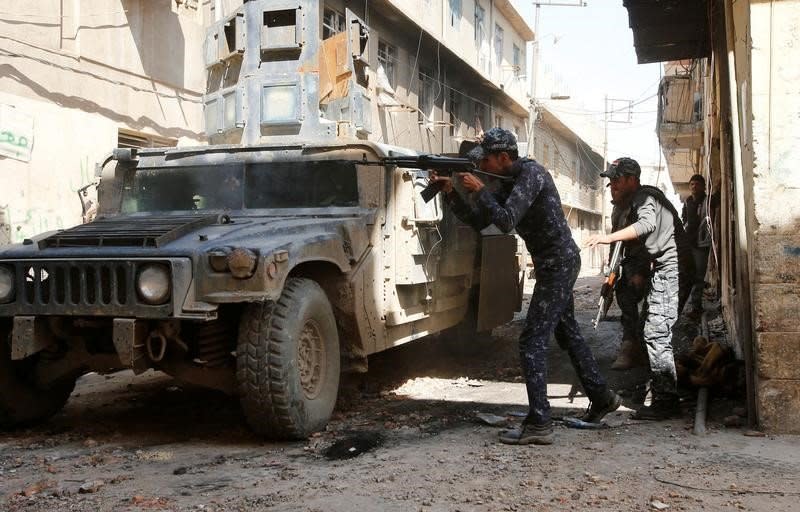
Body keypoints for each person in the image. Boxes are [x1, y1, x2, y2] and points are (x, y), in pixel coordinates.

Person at [431, 128, 620, 445]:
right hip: (553, 264)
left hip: (558, 264)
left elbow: (505, 220)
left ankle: (539, 423)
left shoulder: (531, 173)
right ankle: (602, 397)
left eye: (488, 162)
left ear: (504, 158)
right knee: (567, 332)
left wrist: (479, 191)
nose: (485, 169)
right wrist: (451, 192)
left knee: (531, 340)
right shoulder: (509, 182)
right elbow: (484, 223)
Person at [587, 157, 693, 420]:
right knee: (648, 329)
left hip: (673, 270)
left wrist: (607, 237)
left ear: (633, 179)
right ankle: (657, 388)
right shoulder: (631, 203)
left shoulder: (645, 198)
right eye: (611, 181)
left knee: (656, 333)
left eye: (618, 179)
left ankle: (666, 402)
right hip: (663, 269)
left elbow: (647, 226)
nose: (613, 185)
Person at [681, 174, 711, 317]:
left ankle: (696, 308)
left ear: (703, 186)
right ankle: (684, 306)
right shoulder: (688, 202)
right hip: (689, 244)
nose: (694, 187)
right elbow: (685, 221)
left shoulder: (708, 200)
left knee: (698, 277)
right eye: (692, 184)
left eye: (697, 184)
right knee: (687, 275)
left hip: (701, 244)